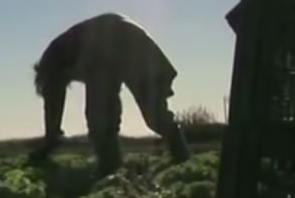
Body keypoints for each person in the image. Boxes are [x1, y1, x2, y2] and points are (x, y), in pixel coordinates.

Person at [26, 13, 191, 176]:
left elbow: (53, 104)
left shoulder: (51, 64)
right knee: (153, 113)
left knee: (100, 116)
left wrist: (50, 139)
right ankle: (183, 159)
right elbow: (55, 101)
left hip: (112, 43)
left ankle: (110, 168)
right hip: (128, 37)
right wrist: (52, 136)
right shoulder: (59, 57)